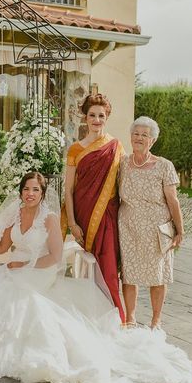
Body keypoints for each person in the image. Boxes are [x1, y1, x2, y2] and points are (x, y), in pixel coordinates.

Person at [0, 172, 192, 383]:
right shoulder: (16, 213)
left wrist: (24, 265)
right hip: (15, 268)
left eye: (35, 189)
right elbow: (2, 246)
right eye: (26, 189)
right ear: (21, 191)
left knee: (19, 298)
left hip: (39, 270)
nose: (30, 193)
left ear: (43, 193)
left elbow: (55, 257)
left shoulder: (49, 219)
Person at [62, 94, 126, 322]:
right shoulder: (75, 150)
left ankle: (114, 320)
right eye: (92, 115)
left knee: (108, 269)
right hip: (83, 216)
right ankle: (88, 317)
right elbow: (68, 190)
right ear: (85, 117)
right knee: (88, 270)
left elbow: (125, 183)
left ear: (107, 117)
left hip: (108, 217)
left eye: (101, 115)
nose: (96, 120)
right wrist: (72, 223)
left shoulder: (116, 147)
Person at [118, 116, 184, 330]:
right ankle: (130, 318)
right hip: (128, 227)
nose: (139, 138)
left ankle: (156, 320)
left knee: (157, 275)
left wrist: (179, 231)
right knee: (129, 274)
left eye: (144, 135)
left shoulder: (164, 166)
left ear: (152, 141)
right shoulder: (122, 163)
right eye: (136, 134)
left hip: (157, 228)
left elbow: (173, 200)